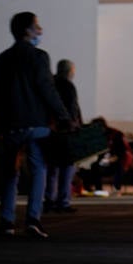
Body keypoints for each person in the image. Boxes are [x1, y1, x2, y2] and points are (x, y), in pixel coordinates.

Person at [0, 12, 75, 239]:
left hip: (10, 125)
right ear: (27, 30)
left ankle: (6, 221)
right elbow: (47, 89)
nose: (40, 30)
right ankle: (33, 220)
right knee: (39, 171)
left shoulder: (3, 58)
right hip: (36, 124)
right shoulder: (38, 57)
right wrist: (63, 116)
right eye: (37, 26)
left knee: (9, 174)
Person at [44, 59, 82, 213]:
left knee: (52, 168)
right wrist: (76, 125)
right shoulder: (68, 86)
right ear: (69, 71)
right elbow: (73, 108)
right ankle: (63, 201)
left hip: (51, 132)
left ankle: (49, 200)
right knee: (67, 168)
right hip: (66, 132)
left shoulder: (51, 83)